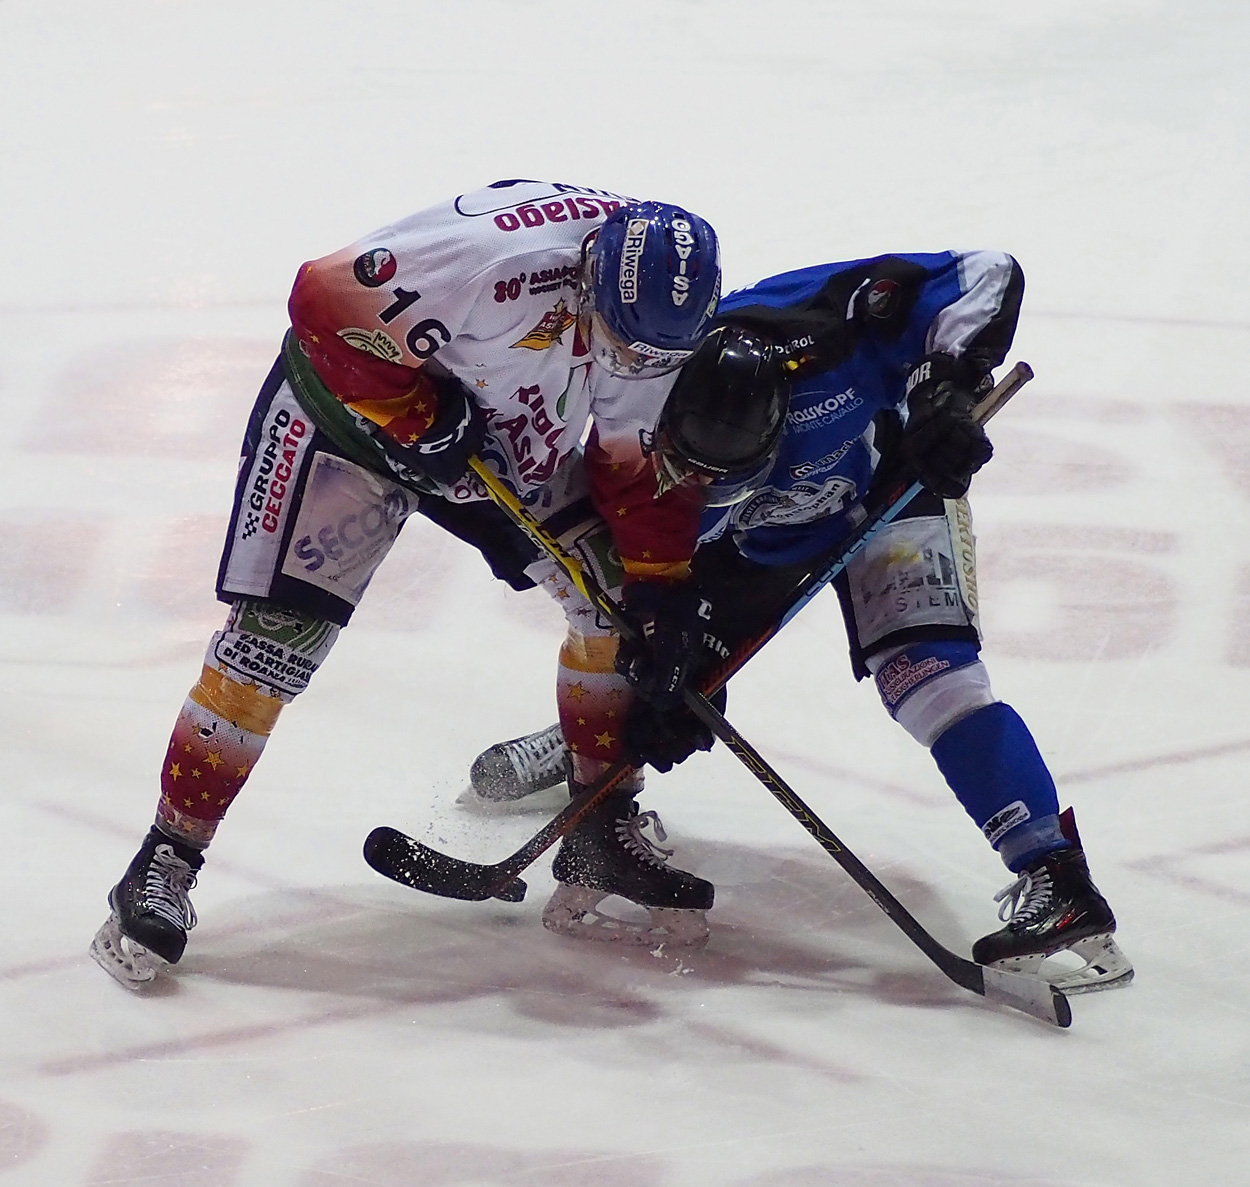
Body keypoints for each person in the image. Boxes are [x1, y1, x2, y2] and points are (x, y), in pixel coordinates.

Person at [90, 179, 723, 988]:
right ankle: (164, 860)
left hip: (490, 439)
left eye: (652, 358)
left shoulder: (655, 319)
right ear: (587, 274)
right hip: (349, 421)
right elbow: (322, 300)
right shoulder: (494, 259)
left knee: (615, 605)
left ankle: (599, 824)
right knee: (272, 646)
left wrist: (661, 587)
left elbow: (632, 459)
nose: (631, 366)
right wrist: (418, 416)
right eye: (623, 345)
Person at [466, 250, 1133, 993]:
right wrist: (668, 672)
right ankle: (590, 750)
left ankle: (1057, 880)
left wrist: (945, 388)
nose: (711, 485)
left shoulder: (822, 331)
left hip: (893, 489)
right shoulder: (634, 418)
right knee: (666, 674)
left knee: (930, 677)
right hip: (744, 552)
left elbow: (984, 272)